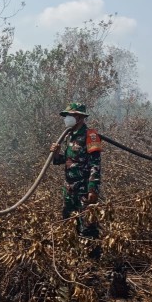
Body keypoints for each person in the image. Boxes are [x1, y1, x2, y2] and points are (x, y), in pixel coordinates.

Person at [50, 102, 102, 242]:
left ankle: (92, 259)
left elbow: (95, 164)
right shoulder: (69, 136)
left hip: (84, 189)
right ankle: (72, 259)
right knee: (68, 225)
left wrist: (93, 189)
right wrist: (56, 153)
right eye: (66, 115)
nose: (67, 118)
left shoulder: (91, 135)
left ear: (79, 117)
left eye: (70, 115)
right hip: (69, 189)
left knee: (88, 226)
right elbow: (67, 160)